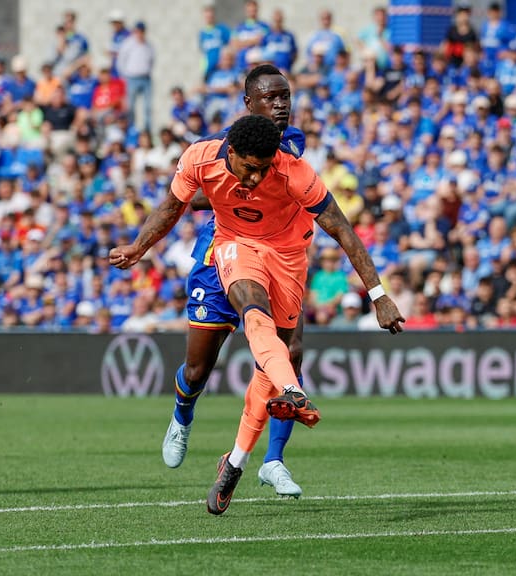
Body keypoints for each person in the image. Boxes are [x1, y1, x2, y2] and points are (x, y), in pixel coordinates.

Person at [109, 114, 404, 515]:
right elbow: (175, 204)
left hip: (286, 257)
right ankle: (277, 395)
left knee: (281, 354)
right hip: (233, 245)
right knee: (239, 328)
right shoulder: (201, 155)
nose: (255, 179)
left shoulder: (292, 168)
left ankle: (238, 461)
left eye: (263, 170)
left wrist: (379, 294)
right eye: (250, 169)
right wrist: (138, 247)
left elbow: (343, 231)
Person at [159, 65, 308, 500]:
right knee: (199, 367)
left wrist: (222, 185)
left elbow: (226, 188)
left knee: (289, 354)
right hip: (218, 252)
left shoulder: (289, 142)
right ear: (249, 103)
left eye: (285, 97)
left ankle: (273, 460)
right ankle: (182, 416)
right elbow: (195, 192)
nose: (281, 106)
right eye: (271, 99)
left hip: (277, 253)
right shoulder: (223, 144)